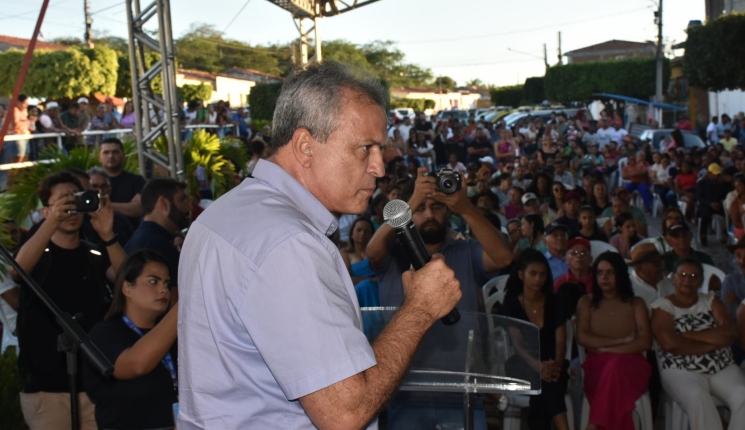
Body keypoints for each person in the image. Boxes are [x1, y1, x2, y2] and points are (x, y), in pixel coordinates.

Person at [177, 61, 463, 429]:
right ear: (305, 146)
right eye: (365, 148)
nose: (379, 168)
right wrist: (420, 310)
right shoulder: (288, 242)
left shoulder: (225, 212)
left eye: (380, 149)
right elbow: (345, 412)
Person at [13, 171, 125, 430]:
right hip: (46, 388)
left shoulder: (93, 252)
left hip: (94, 383)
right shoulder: (38, 252)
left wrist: (108, 235)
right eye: (64, 201)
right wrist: (52, 221)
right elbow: (17, 271)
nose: (71, 209)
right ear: (45, 211)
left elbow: (127, 281)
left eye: (76, 199)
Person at [369, 165, 513, 312]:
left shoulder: (467, 251)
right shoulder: (393, 252)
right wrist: (413, 202)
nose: (429, 215)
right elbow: (373, 252)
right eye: (420, 208)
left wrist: (466, 208)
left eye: (436, 207)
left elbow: (503, 259)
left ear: (447, 211)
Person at [83, 250, 178, 430]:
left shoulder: (176, 333)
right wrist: (182, 307)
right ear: (126, 288)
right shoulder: (104, 333)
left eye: (167, 283)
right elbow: (136, 365)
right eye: (153, 281)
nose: (164, 290)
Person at [651, 258, 745, 430]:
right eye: (682, 275)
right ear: (673, 278)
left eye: (694, 276)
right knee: (698, 397)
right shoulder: (662, 306)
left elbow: (730, 332)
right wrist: (714, 342)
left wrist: (688, 335)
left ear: (701, 281)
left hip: (721, 365)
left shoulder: (711, 300)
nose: (687, 280)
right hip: (680, 369)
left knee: (743, 396)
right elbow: (670, 343)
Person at [577, 252, 652, 430]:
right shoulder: (587, 302)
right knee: (612, 372)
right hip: (597, 367)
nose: (604, 277)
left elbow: (645, 342)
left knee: (615, 365)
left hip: (632, 366)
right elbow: (583, 337)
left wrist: (608, 349)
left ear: (620, 274)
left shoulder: (636, 303)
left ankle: (593, 424)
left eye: (610, 272)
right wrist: (622, 340)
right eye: (600, 272)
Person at [500, 248, 570, 430]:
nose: (538, 279)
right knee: (547, 382)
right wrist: (538, 366)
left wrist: (557, 363)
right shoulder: (512, 305)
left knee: (549, 380)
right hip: (523, 361)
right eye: (533, 274)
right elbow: (518, 345)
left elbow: (561, 341)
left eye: (542, 274)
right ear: (521, 274)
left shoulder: (555, 302)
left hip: (553, 361)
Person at [125, 178, 190, 297]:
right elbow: (174, 300)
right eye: (182, 200)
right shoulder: (159, 245)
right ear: (163, 204)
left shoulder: (140, 237)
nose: (188, 206)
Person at [98, 138, 145, 229]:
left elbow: (139, 209)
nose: (111, 156)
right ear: (99, 157)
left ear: (123, 156)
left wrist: (101, 205)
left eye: (115, 152)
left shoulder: (137, 181)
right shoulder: (90, 181)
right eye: (106, 152)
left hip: (129, 233)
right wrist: (127, 207)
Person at [340, 217, 379, 308]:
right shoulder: (345, 253)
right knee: (366, 285)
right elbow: (345, 279)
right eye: (359, 230)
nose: (362, 233)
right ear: (352, 234)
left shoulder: (377, 252)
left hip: (378, 289)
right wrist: (370, 280)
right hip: (354, 292)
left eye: (367, 231)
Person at [628, 243, 675, 309]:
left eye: (661, 262)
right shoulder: (629, 289)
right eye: (656, 264)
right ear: (639, 267)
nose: (661, 267)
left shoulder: (669, 284)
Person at [696, 163, 728, 246]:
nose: (716, 176)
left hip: (718, 205)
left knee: (726, 213)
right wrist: (710, 203)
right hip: (705, 205)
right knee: (705, 213)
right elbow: (699, 197)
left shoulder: (720, 184)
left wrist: (719, 203)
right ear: (709, 173)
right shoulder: (701, 183)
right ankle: (703, 235)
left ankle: (724, 233)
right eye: (714, 174)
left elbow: (723, 196)